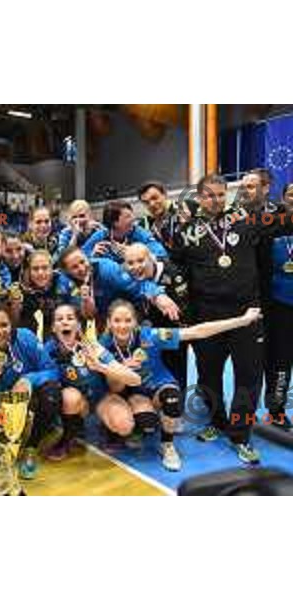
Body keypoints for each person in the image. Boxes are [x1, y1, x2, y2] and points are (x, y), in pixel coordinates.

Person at [172, 173, 293, 463]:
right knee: (208, 376)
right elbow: (175, 264)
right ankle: (216, 422)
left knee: (248, 378)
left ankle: (241, 434)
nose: (216, 200)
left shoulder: (246, 220)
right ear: (200, 197)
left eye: (220, 193)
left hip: (247, 314)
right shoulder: (187, 232)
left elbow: (284, 223)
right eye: (210, 195)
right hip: (208, 315)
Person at [99, 300, 263, 470]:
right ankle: (139, 423)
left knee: (172, 399)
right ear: (109, 323)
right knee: (146, 422)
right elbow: (113, 388)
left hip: (158, 385)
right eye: (117, 321)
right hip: (134, 393)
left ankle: (168, 445)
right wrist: (122, 369)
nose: (123, 326)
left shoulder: (150, 336)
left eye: (128, 320)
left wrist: (242, 320)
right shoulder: (103, 346)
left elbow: (196, 332)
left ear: (136, 322)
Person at [0, 300, 61, 479]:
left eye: (4, 325)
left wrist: (28, 379)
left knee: (51, 393)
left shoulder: (25, 338)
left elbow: (53, 371)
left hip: (30, 398)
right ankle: (7, 442)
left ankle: (31, 448)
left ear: (12, 324)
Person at [43, 304, 141, 461]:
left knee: (124, 426)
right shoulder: (47, 350)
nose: (65, 322)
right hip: (77, 402)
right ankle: (68, 437)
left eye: (70, 318)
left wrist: (101, 367)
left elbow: (135, 379)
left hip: (101, 397)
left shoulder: (93, 347)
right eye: (59, 319)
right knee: (69, 396)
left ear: (78, 325)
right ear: (54, 328)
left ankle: (107, 427)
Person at [122, 243, 190, 389]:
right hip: (143, 333)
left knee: (175, 374)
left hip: (169, 333)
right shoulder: (127, 276)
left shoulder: (173, 275)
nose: (136, 267)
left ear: (151, 259)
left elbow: (182, 314)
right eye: (131, 263)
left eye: (141, 261)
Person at [56, 247, 180, 325]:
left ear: (87, 257)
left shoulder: (106, 269)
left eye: (83, 261)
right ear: (66, 271)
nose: (82, 268)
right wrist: (85, 299)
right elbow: (88, 315)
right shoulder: (65, 283)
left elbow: (137, 284)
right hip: (99, 323)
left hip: (129, 316)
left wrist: (157, 294)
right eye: (74, 267)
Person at [264, 182, 293, 430]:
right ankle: (276, 409)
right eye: (292, 194)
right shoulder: (271, 227)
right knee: (280, 361)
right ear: (284, 198)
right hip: (279, 307)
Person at [83, 200, 168, 263]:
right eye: (128, 216)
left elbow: (161, 254)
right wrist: (92, 255)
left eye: (132, 214)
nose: (134, 218)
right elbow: (79, 259)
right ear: (115, 222)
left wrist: (135, 253)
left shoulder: (138, 232)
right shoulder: (100, 236)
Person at [137, 181, 193, 251]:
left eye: (154, 198)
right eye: (146, 202)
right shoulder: (144, 225)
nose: (152, 204)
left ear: (165, 195)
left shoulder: (186, 206)